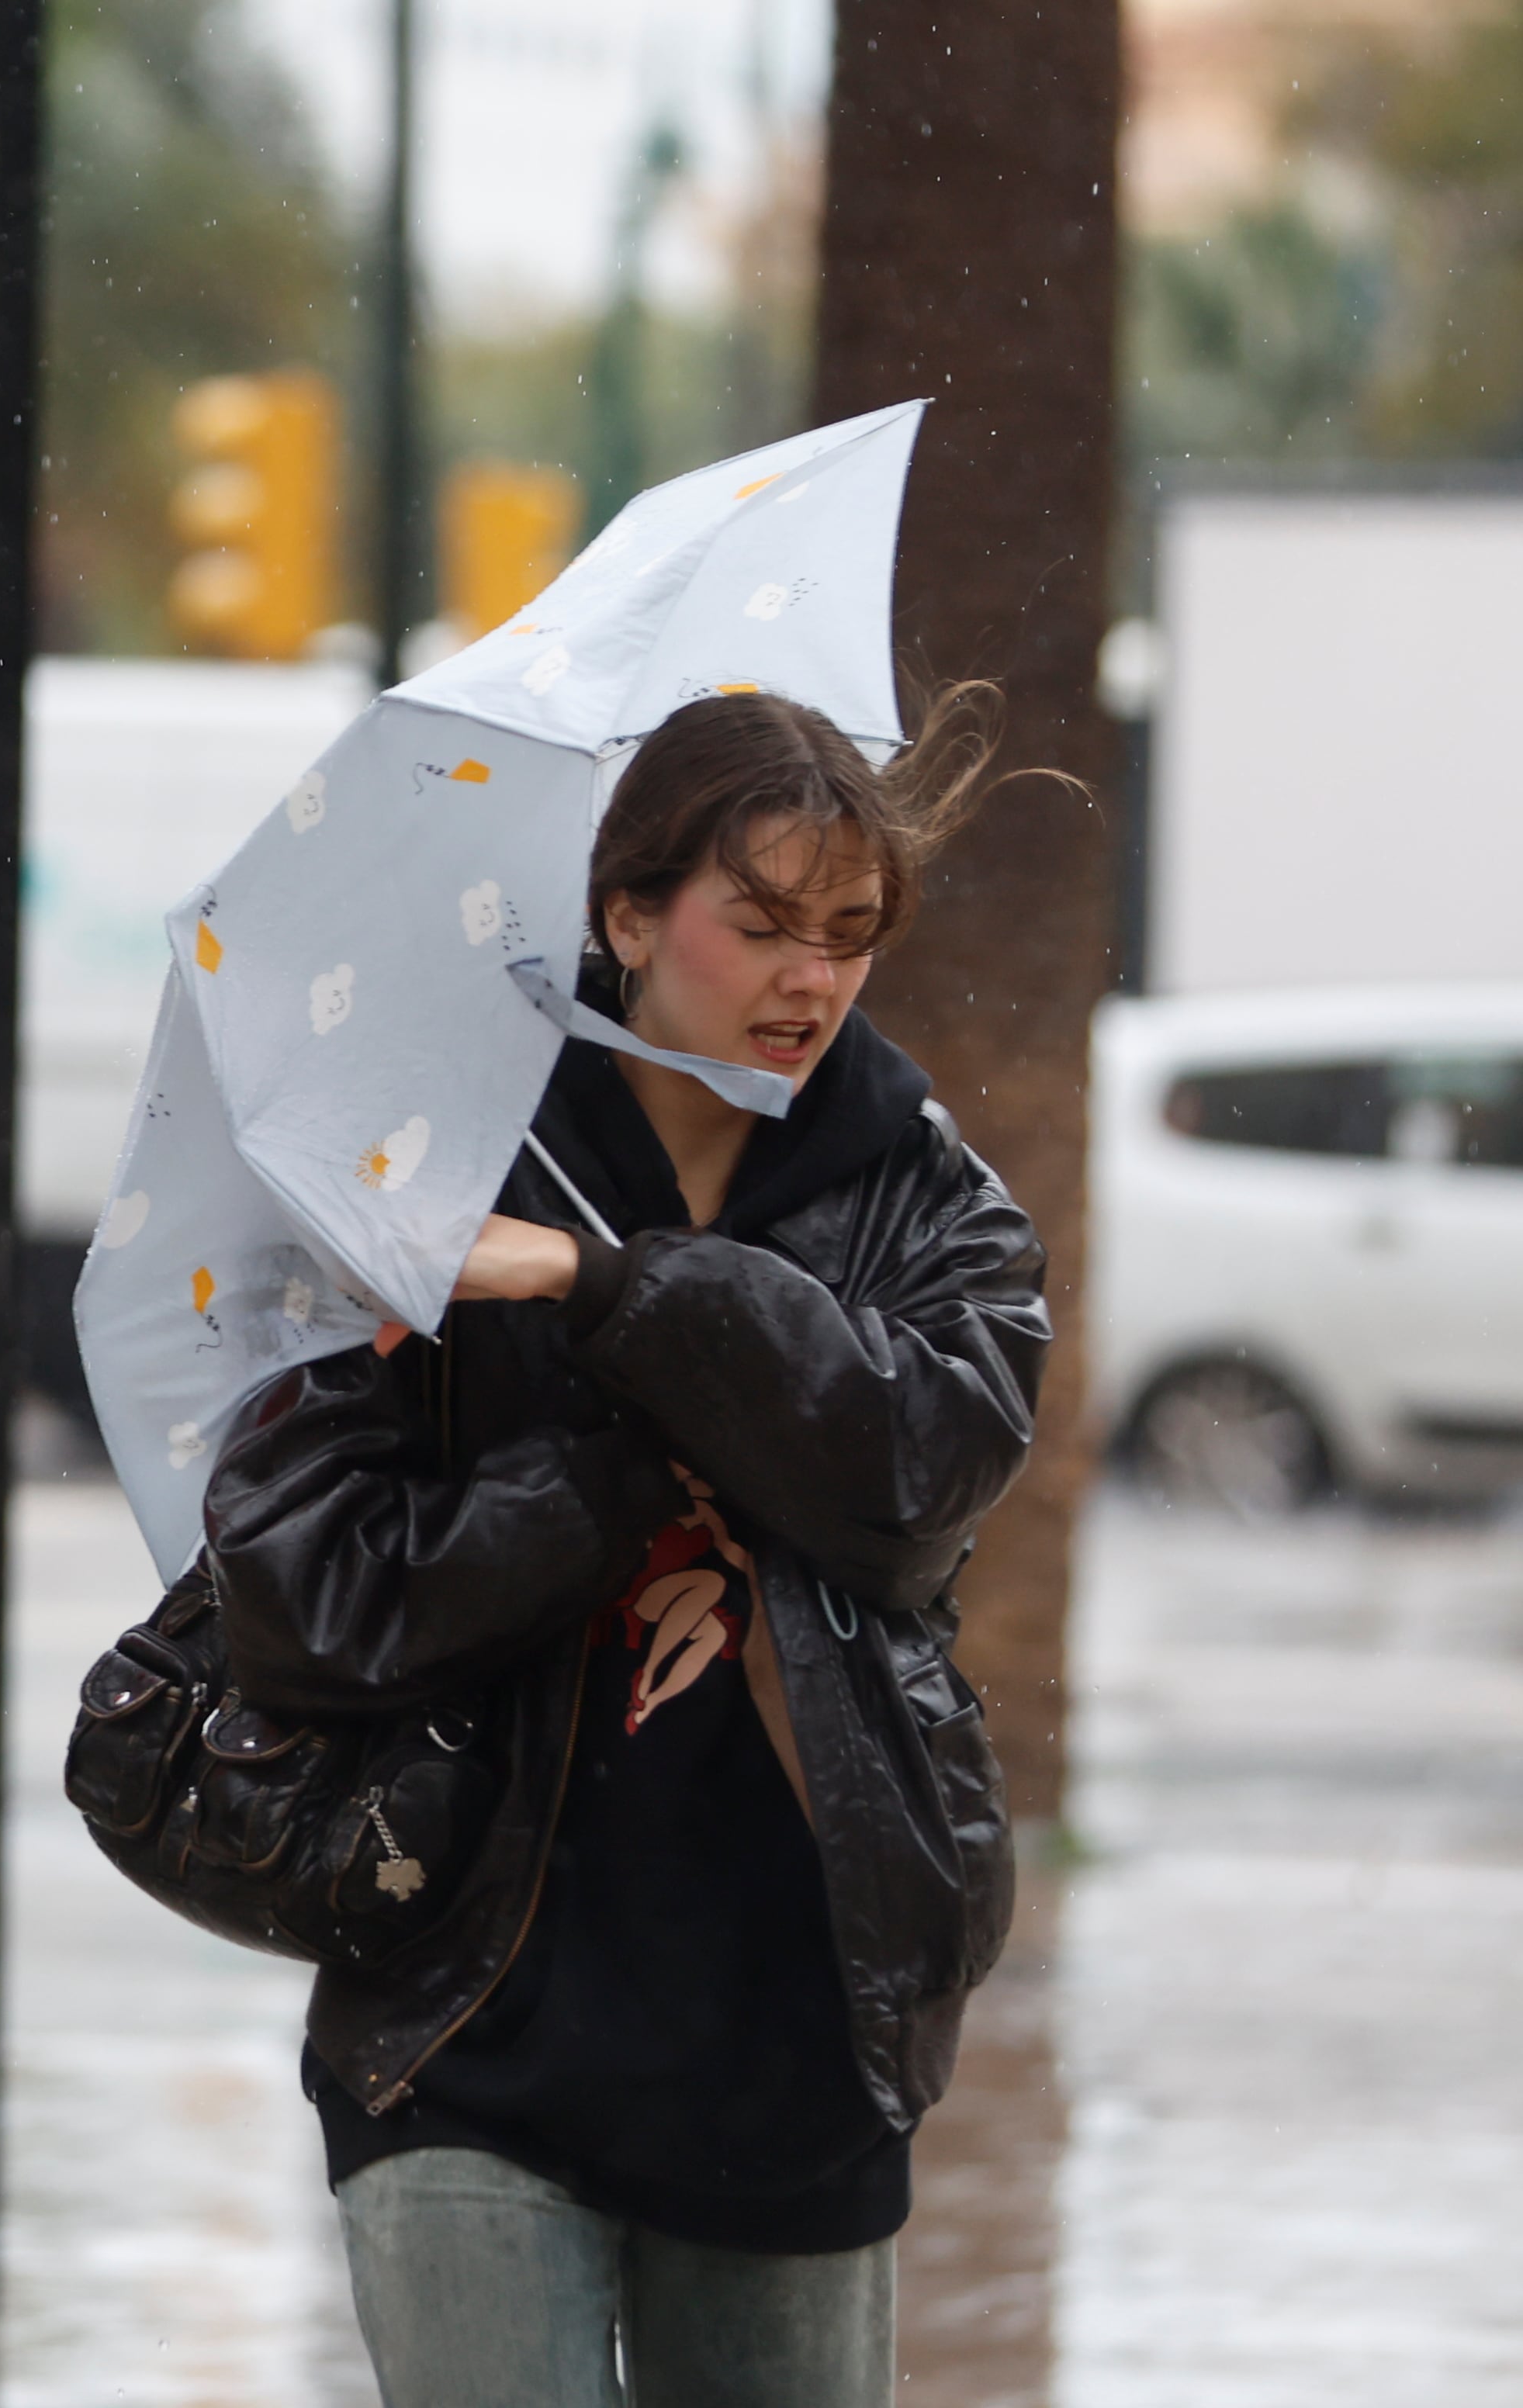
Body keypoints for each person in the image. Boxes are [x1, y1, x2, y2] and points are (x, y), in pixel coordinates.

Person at [203, 689, 1044, 2405]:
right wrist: (620, 1495)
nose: (811, 978)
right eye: (762, 925)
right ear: (629, 915)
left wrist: (605, 1287)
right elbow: (306, 1601)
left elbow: (912, 1475)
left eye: (852, 934)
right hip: (465, 2019)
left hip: (799, 2032)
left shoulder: (928, 1204)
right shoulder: (415, 1176)